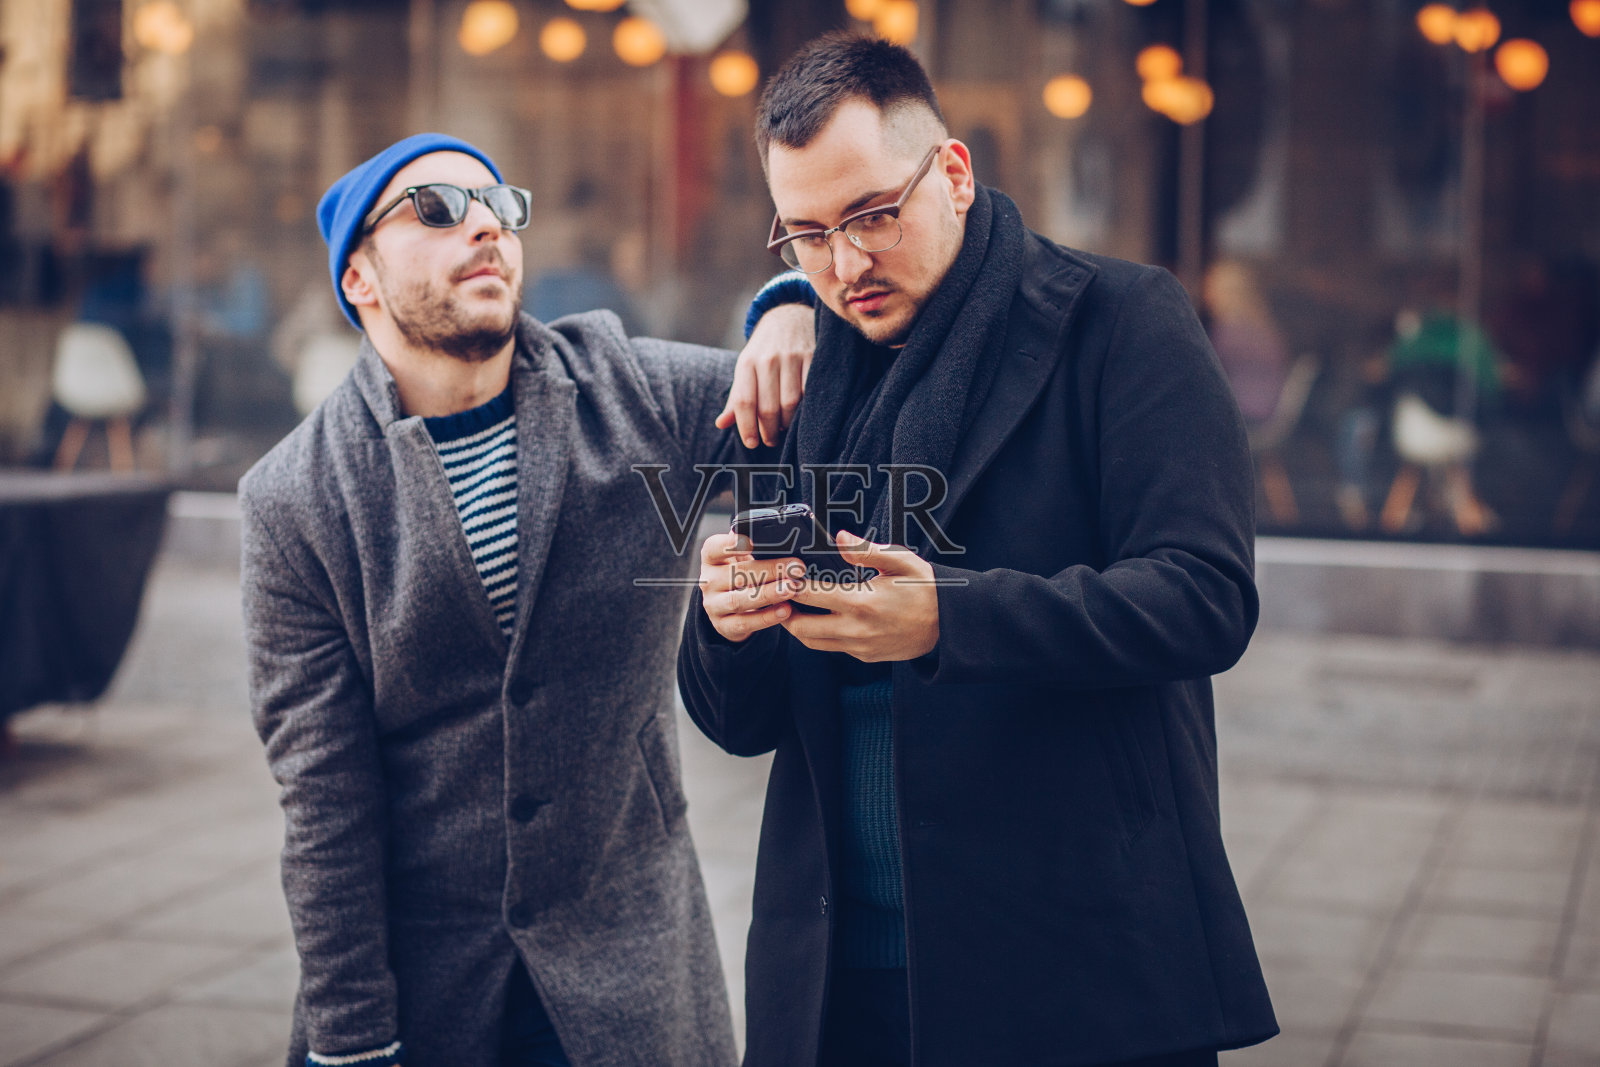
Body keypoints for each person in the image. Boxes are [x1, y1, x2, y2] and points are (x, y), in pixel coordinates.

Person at [679, 34, 1277, 1067]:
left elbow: (1204, 594)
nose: (846, 263)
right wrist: (722, 622)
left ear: (952, 174)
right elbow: (740, 721)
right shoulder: (805, 371)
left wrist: (949, 615)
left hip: (1069, 960)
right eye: (808, 234)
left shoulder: (1121, 320)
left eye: (873, 214)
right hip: (836, 974)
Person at [239, 133, 812, 1067]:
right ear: (359, 281)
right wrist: (352, 1040)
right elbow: (324, 799)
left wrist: (794, 305)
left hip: (629, 967)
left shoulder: (628, 389)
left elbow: (832, 408)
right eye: (434, 209)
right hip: (428, 985)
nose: (483, 227)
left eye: (502, 207)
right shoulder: (297, 497)